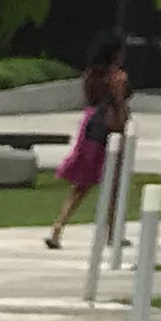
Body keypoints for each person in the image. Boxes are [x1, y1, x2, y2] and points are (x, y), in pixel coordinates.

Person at [44, 37, 130, 250]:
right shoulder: (117, 77)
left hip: (90, 126)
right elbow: (120, 104)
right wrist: (123, 125)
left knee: (82, 183)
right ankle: (113, 233)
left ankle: (58, 226)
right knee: (114, 184)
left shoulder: (90, 76)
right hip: (109, 129)